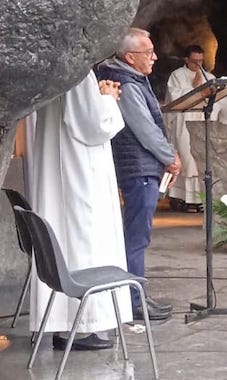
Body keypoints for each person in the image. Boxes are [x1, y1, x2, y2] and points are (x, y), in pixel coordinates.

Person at [28, 71, 131, 351]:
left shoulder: (58, 69)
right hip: (80, 172)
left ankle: (65, 323)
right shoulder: (77, 70)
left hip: (64, 163)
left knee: (68, 240)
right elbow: (93, 124)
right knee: (85, 243)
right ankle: (85, 326)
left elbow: (77, 109)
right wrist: (108, 99)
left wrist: (97, 94)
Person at [97, 28, 181, 320]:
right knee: (136, 238)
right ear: (130, 57)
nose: (155, 57)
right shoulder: (129, 86)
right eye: (148, 53)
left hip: (140, 168)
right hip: (139, 168)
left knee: (135, 236)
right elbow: (144, 129)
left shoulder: (128, 78)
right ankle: (134, 302)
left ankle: (134, 297)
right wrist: (169, 157)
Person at [165, 44, 214, 212]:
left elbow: (217, 97)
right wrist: (196, 89)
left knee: (200, 159)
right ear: (187, 59)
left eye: (201, 61)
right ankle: (183, 199)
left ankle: (200, 199)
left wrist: (206, 90)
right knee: (187, 158)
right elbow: (175, 97)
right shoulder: (176, 75)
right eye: (194, 62)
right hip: (183, 120)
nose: (198, 65)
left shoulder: (208, 76)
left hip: (202, 120)